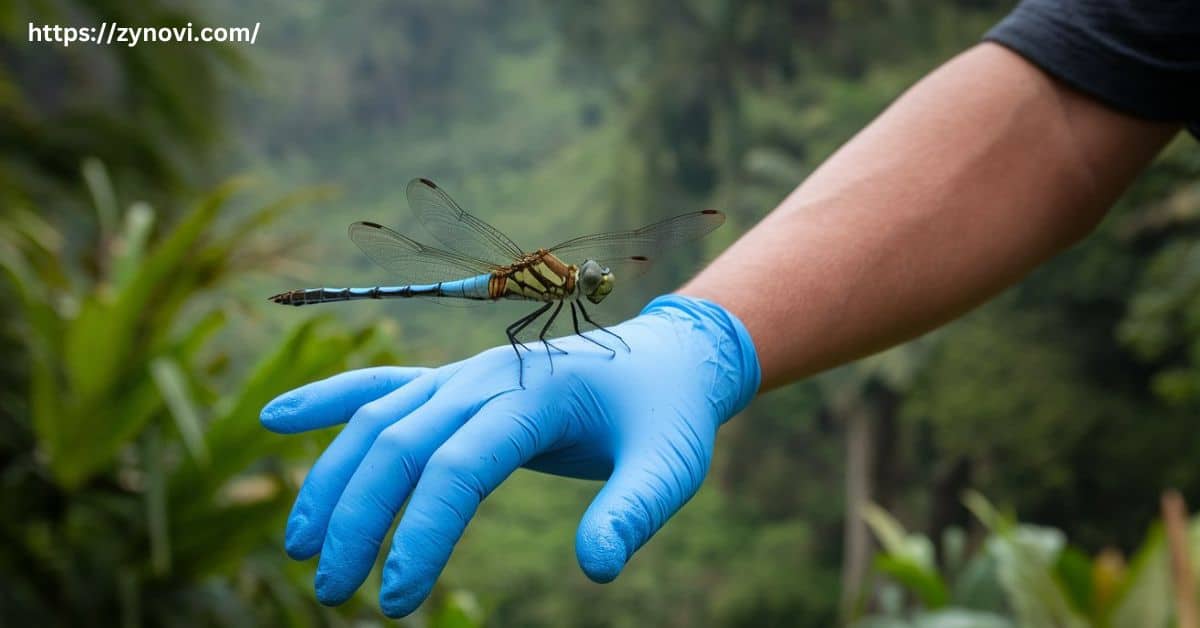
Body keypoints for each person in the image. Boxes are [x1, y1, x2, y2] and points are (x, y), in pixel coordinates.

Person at [259, 1, 1199, 618]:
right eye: (591, 291)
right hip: (484, 285)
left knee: (538, 343)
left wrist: (671, 341)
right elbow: (1076, 101)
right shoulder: (539, 287)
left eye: (594, 292)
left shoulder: (572, 287)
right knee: (527, 340)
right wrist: (705, 330)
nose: (594, 293)